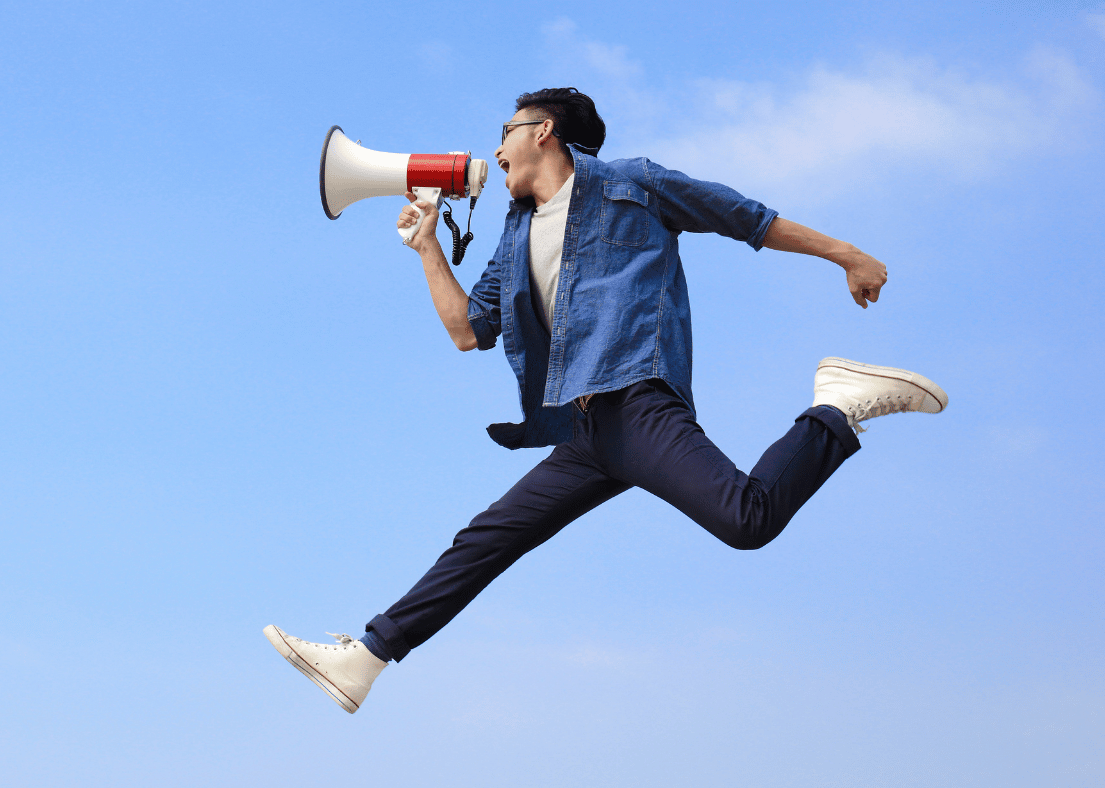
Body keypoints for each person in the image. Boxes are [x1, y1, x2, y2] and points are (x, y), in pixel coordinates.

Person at [265, 88, 947, 714]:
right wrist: (425, 249)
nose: (494, 147)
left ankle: (835, 407)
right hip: (584, 429)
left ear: (544, 130)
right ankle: (368, 657)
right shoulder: (514, 232)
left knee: (747, 520)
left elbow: (746, 217)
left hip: (636, 400)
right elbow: (467, 330)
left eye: (504, 131)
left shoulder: (633, 182)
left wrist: (846, 254)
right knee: (488, 538)